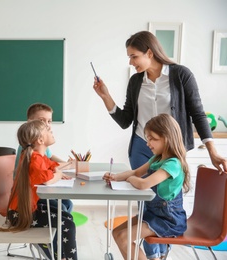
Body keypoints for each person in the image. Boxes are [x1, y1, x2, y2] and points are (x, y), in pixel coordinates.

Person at [93, 30, 227, 259]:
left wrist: (212, 150)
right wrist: (105, 96)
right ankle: (153, 253)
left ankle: (158, 251)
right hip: (141, 145)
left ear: (149, 52)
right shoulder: (136, 81)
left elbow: (197, 113)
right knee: (147, 203)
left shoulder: (181, 75)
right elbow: (126, 120)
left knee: (165, 197)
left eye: (134, 56)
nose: (130, 62)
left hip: (172, 147)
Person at [103, 114, 189, 260]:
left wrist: (130, 179)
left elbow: (143, 184)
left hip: (169, 220)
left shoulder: (172, 164)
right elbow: (136, 172)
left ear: (167, 138)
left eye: (152, 139)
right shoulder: (156, 159)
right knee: (116, 233)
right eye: (147, 138)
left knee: (124, 237)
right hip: (153, 215)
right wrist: (116, 177)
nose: (148, 143)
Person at [0, 120, 78, 260]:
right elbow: (47, 180)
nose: (51, 130)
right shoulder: (35, 159)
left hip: (25, 210)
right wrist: (58, 175)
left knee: (67, 217)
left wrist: (68, 166)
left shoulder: (38, 157)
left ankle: (61, 256)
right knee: (68, 225)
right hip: (21, 214)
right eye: (48, 130)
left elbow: (53, 166)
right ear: (40, 140)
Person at [14, 103, 74, 213]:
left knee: (67, 203)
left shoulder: (39, 147)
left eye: (49, 121)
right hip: (29, 196)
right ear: (29, 123)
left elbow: (50, 160)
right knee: (62, 209)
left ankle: (56, 228)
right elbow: (45, 177)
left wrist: (67, 164)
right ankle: (55, 227)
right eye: (42, 121)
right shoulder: (29, 150)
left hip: (39, 189)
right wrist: (59, 173)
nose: (47, 125)